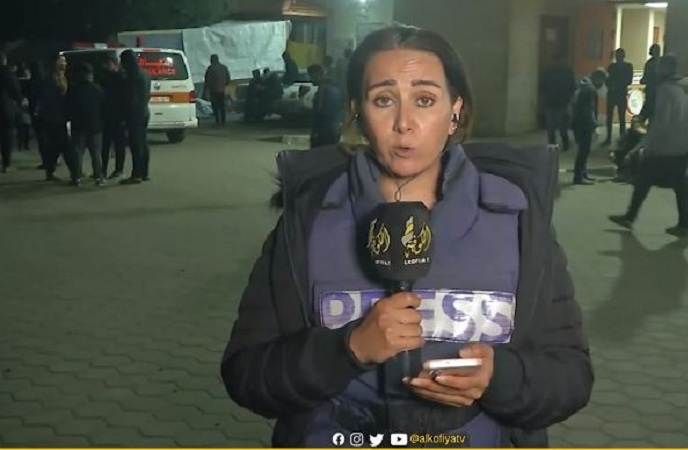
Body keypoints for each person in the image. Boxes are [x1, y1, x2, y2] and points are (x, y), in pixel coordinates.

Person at [221, 25, 592, 447]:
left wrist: (500, 378)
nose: (404, 124)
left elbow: (571, 377)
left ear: (455, 111)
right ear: (357, 112)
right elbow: (247, 375)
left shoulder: (517, 221)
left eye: (425, 100)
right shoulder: (308, 221)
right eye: (383, 100)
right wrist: (347, 350)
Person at [609, 54, 688, 237]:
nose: (657, 70)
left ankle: (630, 217)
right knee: (680, 185)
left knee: (644, 178)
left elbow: (661, 123)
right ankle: (684, 224)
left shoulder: (666, 89)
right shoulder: (686, 86)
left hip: (667, 146)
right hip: (685, 143)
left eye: (660, 67)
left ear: (666, 68)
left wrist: (640, 147)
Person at [37, 54, 80, 184]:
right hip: (55, 118)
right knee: (67, 147)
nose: (64, 64)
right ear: (55, 63)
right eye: (61, 61)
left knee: (54, 147)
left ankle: (51, 172)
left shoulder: (62, 76)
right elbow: (50, 100)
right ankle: (75, 175)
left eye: (65, 62)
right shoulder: (50, 79)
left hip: (60, 118)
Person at [66, 62, 105, 186]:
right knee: (96, 154)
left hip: (78, 126)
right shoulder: (97, 89)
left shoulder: (73, 89)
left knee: (78, 153)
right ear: (90, 74)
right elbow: (103, 107)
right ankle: (99, 177)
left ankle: (76, 178)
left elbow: (68, 107)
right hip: (95, 126)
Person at [119, 49, 151, 184]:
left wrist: (124, 116)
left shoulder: (131, 76)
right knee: (143, 143)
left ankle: (136, 175)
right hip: (144, 111)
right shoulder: (145, 73)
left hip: (134, 114)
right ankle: (144, 173)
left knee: (136, 145)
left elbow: (131, 99)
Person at [571, 69, 607, 185]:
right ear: (598, 78)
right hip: (584, 124)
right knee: (584, 151)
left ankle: (583, 173)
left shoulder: (583, 86)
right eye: (602, 81)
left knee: (582, 150)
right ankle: (578, 177)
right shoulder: (590, 90)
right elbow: (589, 109)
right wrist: (594, 123)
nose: (602, 84)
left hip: (578, 122)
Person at [98, 54, 127, 179]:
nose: (105, 67)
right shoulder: (104, 77)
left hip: (118, 117)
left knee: (119, 145)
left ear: (114, 64)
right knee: (105, 145)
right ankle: (102, 169)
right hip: (106, 116)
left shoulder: (122, 78)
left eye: (107, 64)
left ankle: (119, 169)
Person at [540, 54, 576, 152]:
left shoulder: (552, 73)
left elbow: (543, 88)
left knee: (558, 126)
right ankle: (557, 145)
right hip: (555, 103)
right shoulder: (565, 73)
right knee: (554, 127)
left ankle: (559, 144)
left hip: (558, 103)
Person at [307, 63, 344, 148]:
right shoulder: (335, 87)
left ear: (317, 74)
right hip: (334, 130)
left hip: (324, 132)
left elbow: (320, 112)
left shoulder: (323, 89)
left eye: (311, 76)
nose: (310, 79)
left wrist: (315, 132)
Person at [603, 48, 633, 146]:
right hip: (615, 93)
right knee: (611, 118)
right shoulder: (613, 66)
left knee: (621, 118)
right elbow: (607, 80)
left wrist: (614, 84)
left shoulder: (625, 66)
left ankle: (619, 138)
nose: (618, 57)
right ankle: (611, 138)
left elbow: (629, 81)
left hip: (618, 93)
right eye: (617, 55)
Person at [0, 51, 23, 173]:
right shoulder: (7, 72)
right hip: (4, 108)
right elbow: (15, 89)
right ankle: (6, 163)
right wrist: (20, 100)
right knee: (6, 136)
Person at [203, 54, 231, 126]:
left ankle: (217, 121)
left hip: (213, 90)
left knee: (215, 106)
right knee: (222, 106)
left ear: (212, 60)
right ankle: (223, 120)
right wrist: (224, 85)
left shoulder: (210, 68)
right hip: (222, 90)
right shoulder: (224, 68)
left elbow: (207, 80)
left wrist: (206, 90)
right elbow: (228, 79)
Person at [639, 44, 661, 124]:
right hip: (656, 91)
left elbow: (645, 78)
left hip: (653, 91)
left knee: (648, 111)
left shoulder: (650, 63)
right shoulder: (659, 62)